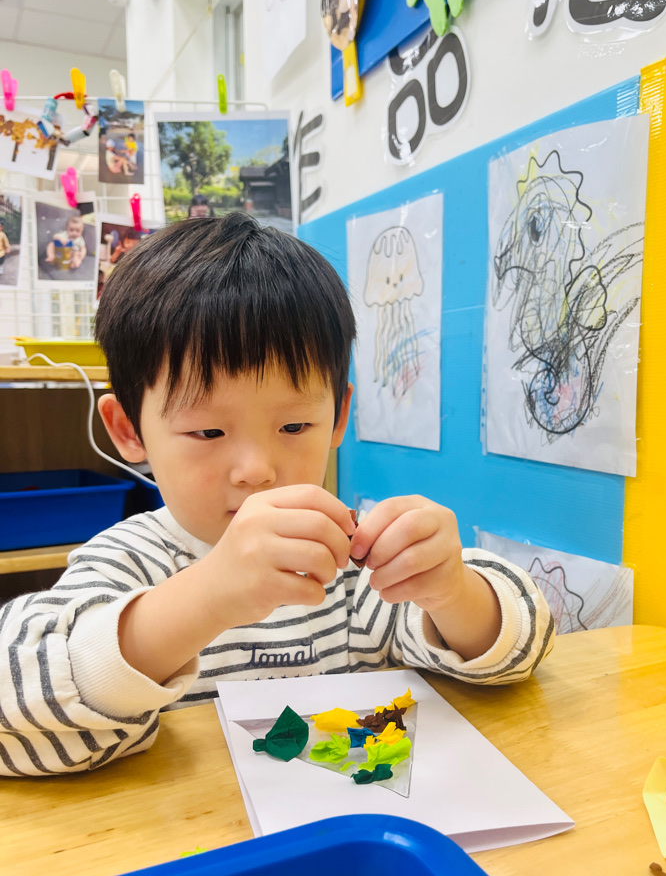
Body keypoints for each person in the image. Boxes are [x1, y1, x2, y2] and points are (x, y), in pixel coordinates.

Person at [0, 214, 554, 776]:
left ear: (338, 417)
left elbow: (519, 652)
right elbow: (16, 708)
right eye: (208, 432)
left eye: (293, 427)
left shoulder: (351, 560)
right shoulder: (127, 561)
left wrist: (452, 590)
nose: (257, 471)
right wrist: (207, 597)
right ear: (129, 430)